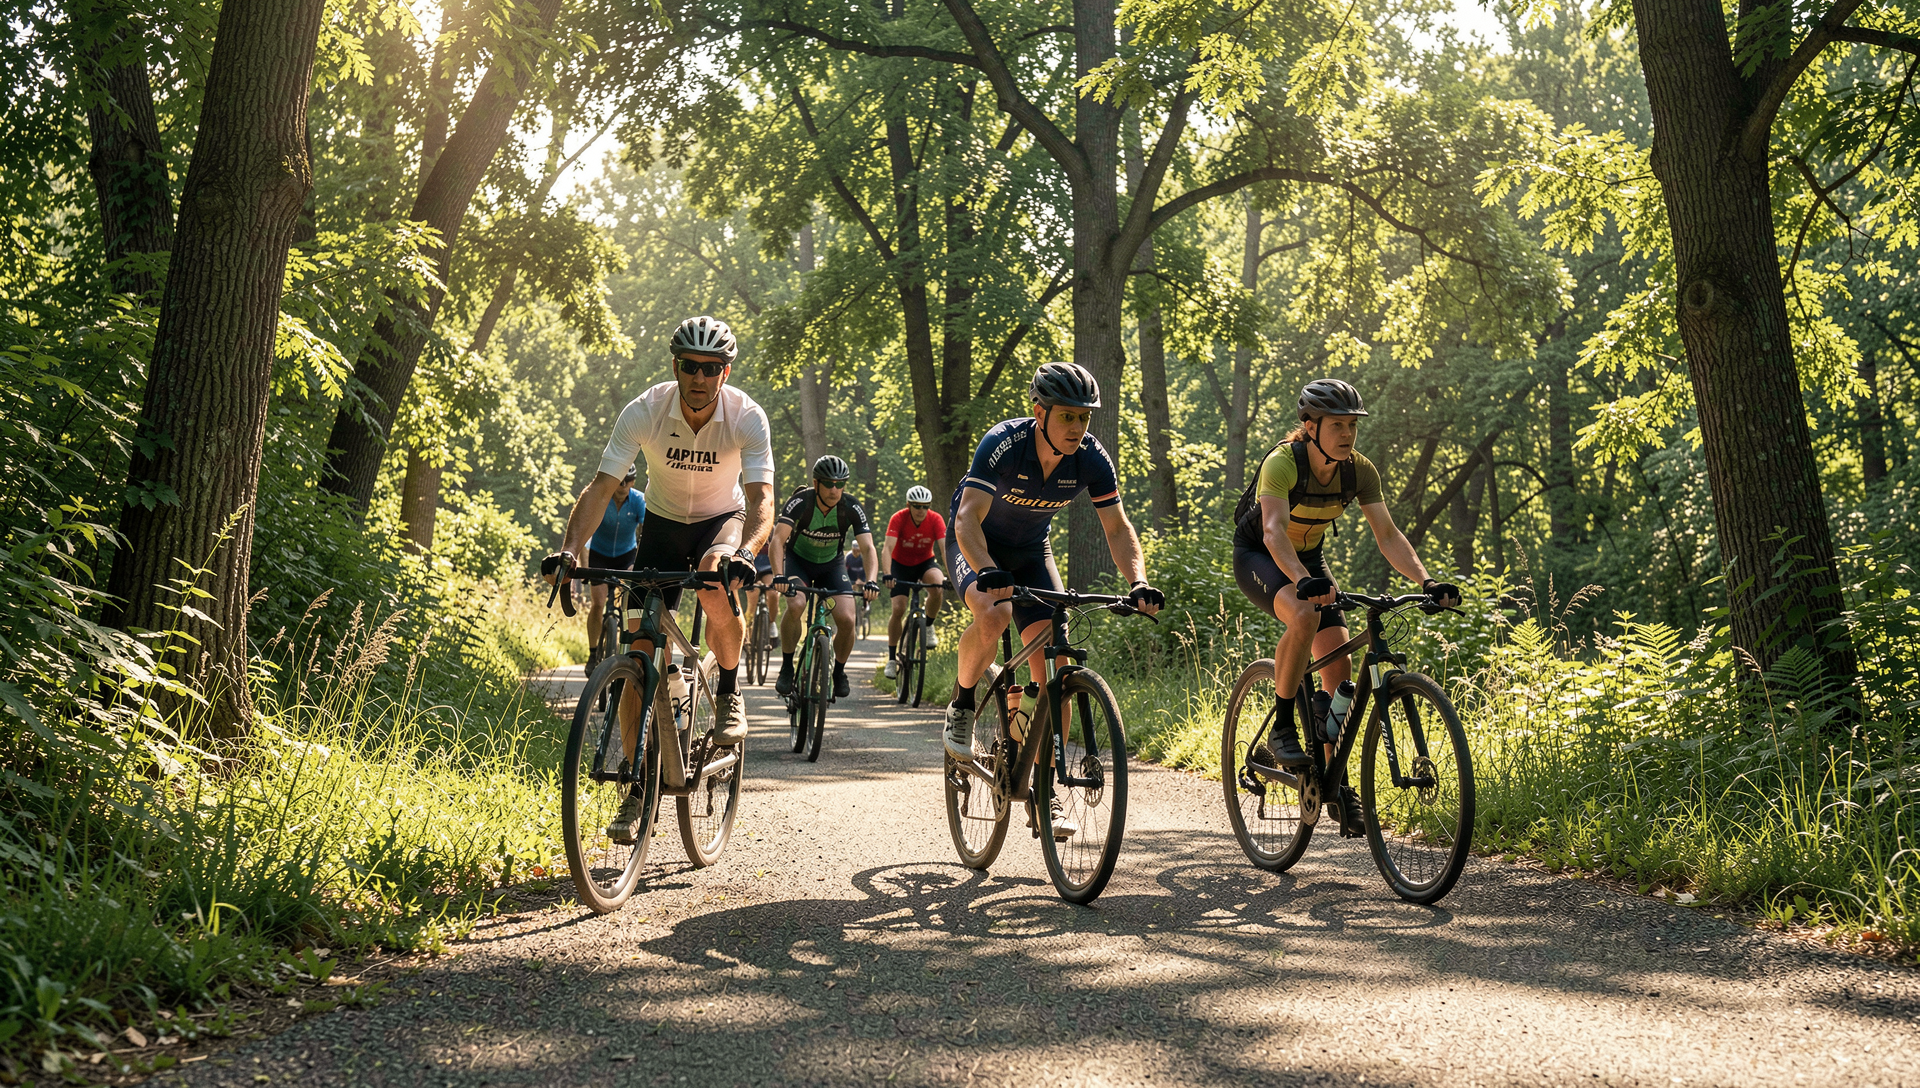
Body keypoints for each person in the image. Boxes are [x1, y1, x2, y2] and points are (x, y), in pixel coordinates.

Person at [542, 315, 773, 843]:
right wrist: (570, 551)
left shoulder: (746, 417)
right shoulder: (645, 411)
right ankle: (637, 783)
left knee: (715, 577)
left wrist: (749, 552)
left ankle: (731, 691)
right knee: (641, 646)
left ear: (725, 371)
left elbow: (761, 501)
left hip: (722, 521)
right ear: (676, 366)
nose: (699, 376)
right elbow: (601, 487)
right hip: (664, 527)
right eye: (690, 366)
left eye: (711, 368)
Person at [1230, 378, 1460, 835]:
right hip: (1260, 554)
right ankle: (1282, 726)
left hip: (1309, 559)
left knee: (1340, 677)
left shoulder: (1359, 471)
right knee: (1304, 613)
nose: (1347, 434)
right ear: (1310, 425)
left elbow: (1388, 535)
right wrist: (1302, 582)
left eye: (1352, 425)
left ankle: (1335, 783)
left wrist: (1426, 580)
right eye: (1337, 424)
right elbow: (1274, 532)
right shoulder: (1283, 463)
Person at [943, 362, 1164, 839]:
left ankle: (1044, 793)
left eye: (1085, 418)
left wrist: (1139, 581)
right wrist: (985, 571)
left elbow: (1117, 527)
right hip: (974, 543)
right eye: (1068, 416)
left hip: (1030, 553)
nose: (1078, 428)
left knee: (1057, 667)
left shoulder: (1090, 458)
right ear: (1039, 412)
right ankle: (962, 703)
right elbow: (966, 521)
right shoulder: (1004, 444)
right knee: (995, 611)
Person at [772, 455, 881, 700]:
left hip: (832, 566)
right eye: (829, 483)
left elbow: (868, 548)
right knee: (797, 604)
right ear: (816, 482)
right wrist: (779, 575)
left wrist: (872, 579)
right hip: (799, 563)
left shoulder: (851, 507)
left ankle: (839, 671)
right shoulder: (800, 501)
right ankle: (788, 666)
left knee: (846, 619)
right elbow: (777, 540)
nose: (834, 489)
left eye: (840, 484)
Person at [582, 469, 644, 673]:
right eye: (620, 481)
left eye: (628, 481)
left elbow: (647, 534)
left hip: (627, 555)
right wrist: (584, 567)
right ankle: (592, 654)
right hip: (599, 554)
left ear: (633, 481)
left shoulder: (638, 501)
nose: (623, 485)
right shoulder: (602, 498)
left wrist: (640, 562)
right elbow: (584, 534)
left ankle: (627, 650)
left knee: (629, 601)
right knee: (598, 603)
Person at [882, 484, 947, 678]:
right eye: (917, 506)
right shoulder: (898, 518)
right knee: (899, 609)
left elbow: (945, 549)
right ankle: (892, 659)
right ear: (909, 505)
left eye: (925, 506)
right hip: (900, 565)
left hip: (924, 562)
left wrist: (951, 576)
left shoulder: (935, 519)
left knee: (937, 585)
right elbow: (887, 548)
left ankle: (927, 626)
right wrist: (887, 573)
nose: (921, 510)